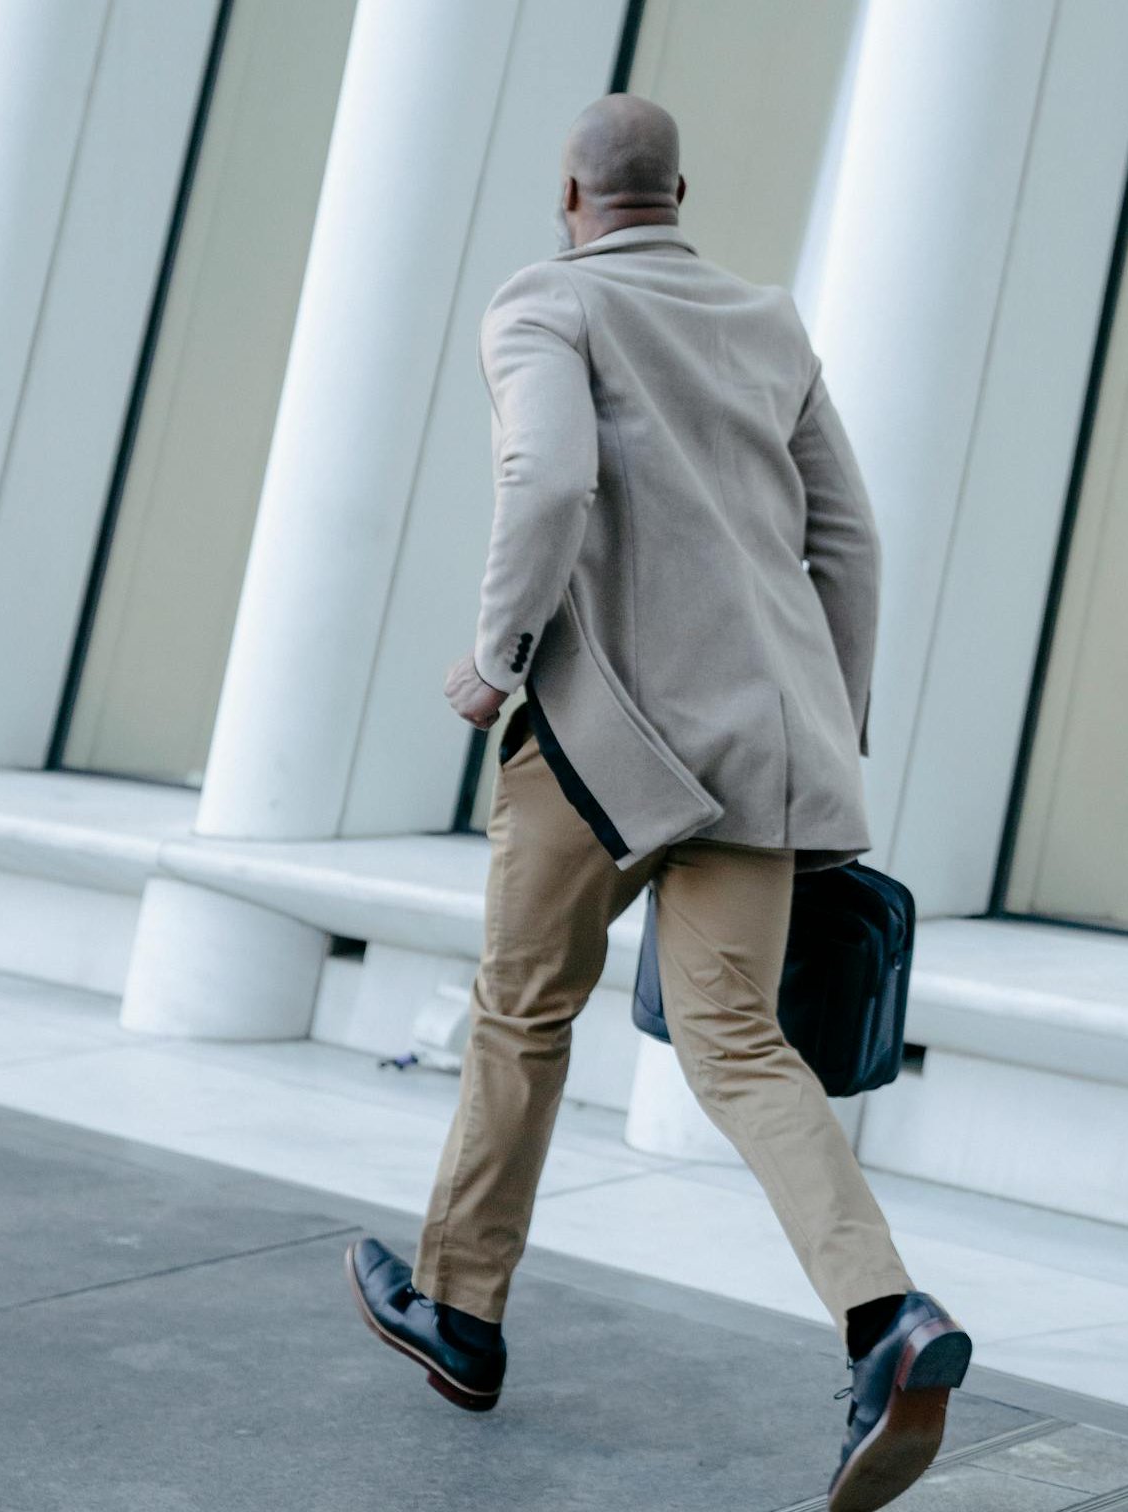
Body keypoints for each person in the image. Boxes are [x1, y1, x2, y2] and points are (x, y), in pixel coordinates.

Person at [345, 93, 970, 1512]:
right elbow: (850, 545)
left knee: (524, 1012)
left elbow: (548, 471)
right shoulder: (768, 322)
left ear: (572, 194)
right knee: (743, 1049)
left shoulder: (542, 302)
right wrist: (826, 739)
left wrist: (495, 655)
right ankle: (888, 1325)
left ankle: (463, 1311)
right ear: (679, 192)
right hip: (765, 755)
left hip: (597, 748)